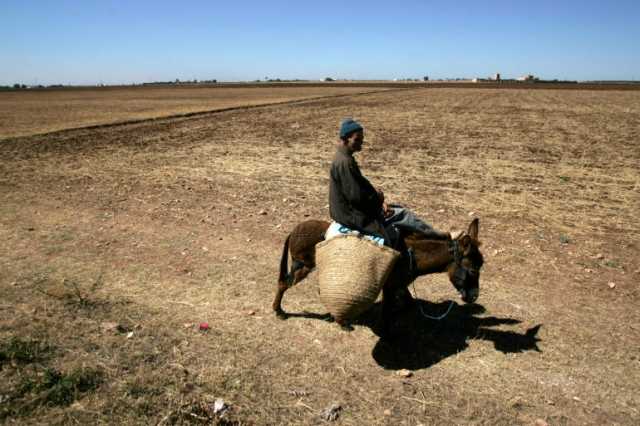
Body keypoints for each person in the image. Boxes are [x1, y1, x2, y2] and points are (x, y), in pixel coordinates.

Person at [328, 118, 450, 248]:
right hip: (352, 216)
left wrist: (377, 199)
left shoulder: (343, 158)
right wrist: (378, 202)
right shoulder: (345, 163)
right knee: (403, 215)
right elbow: (356, 197)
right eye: (357, 139)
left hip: (348, 211)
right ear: (346, 139)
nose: (361, 142)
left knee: (396, 209)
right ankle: (438, 237)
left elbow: (359, 186)